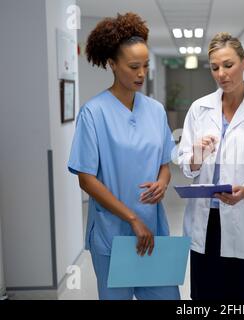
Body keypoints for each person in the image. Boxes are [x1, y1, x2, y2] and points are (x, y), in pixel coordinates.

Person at [67, 13, 179, 300]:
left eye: (145, 66)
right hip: (112, 232)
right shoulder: (94, 113)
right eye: (133, 66)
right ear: (112, 65)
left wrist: (162, 182)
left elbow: (164, 163)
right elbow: (86, 179)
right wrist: (131, 219)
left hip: (152, 228)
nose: (141, 73)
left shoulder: (154, 110)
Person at [178, 32, 244, 300]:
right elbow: (186, 165)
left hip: (243, 217)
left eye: (228, 65)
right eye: (215, 67)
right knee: (203, 297)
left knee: (238, 297)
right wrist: (197, 155)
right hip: (206, 219)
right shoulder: (199, 108)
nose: (222, 74)